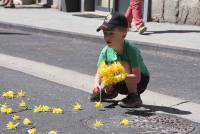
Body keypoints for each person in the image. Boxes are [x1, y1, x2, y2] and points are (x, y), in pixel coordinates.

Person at [90, 13, 150, 108]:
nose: (107, 37)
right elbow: (99, 72)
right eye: (105, 33)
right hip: (120, 81)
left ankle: (134, 96)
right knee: (108, 69)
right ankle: (111, 91)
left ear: (124, 34)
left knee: (123, 64)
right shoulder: (105, 51)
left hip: (139, 82)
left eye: (111, 33)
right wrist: (96, 85)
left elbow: (137, 77)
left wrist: (119, 77)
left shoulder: (131, 49)